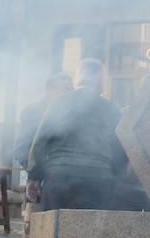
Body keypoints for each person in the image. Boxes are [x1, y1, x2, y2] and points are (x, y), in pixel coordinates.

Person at [27, 58, 127, 212]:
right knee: (91, 232)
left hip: (59, 177)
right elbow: (121, 148)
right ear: (100, 83)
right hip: (98, 179)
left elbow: (41, 141)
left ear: (77, 80)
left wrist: (34, 177)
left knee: (56, 230)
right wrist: (116, 178)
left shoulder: (58, 103)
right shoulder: (111, 110)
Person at [15, 72, 73, 238]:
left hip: (61, 183)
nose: (68, 93)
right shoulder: (34, 112)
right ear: (50, 90)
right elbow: (23, 149)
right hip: (39, 182)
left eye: (70, 89)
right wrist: (35, 176)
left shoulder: (71, 113)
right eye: (63, 88)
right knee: (35, 232)